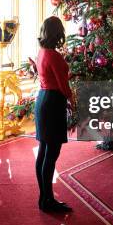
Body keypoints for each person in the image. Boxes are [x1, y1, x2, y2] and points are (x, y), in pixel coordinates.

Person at [35, 16, 72, 213]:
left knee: (44, 151)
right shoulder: (55, 56)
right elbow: (63, 85)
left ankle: (44, 198)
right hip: (53, 102)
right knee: (52, 153)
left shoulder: (42, 52)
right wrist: (73, 103)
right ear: (58, 33)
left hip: (43, 99)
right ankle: (47, 200)